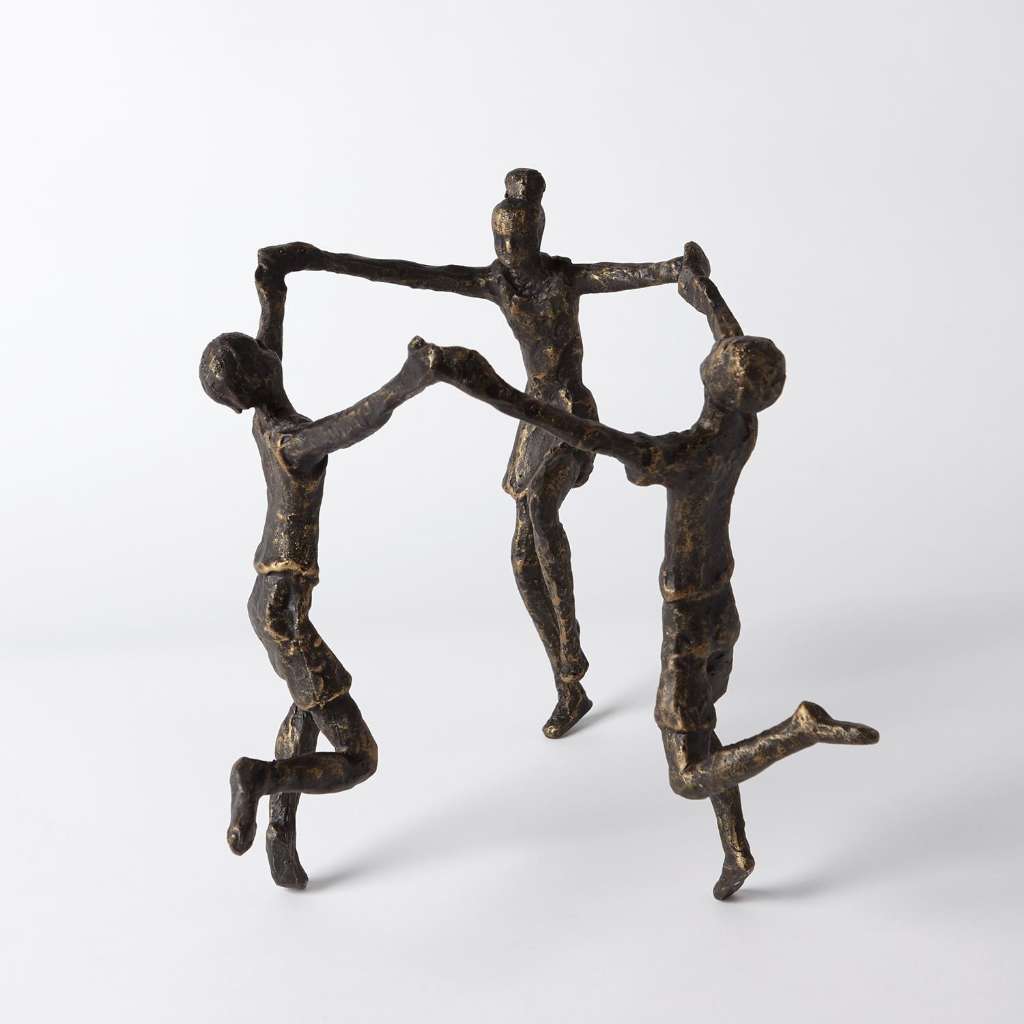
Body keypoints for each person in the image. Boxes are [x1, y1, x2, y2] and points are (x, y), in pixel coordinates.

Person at [424, 242, 879, 899]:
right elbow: (735, 350)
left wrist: (491, 390)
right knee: (704, 729)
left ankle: (797, 729)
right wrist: (706, 296)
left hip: (689, 622)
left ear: (713, 379)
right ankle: (737, 851)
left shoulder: (680, 454)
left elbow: (588, 435)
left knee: (687, 773)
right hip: (723, 611)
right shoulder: (740, 431)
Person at [255, 168, 684, 739]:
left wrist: (673, 269)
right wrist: (319, 259)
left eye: (518, 239)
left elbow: (623, 275)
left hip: (569, 410)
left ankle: (572, 645)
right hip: (532, 413)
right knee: (521, 557)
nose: (507, 250)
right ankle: (568, 682)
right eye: (499, 239)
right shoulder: (495, 283)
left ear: (538, 233)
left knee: (540, 509)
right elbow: (411, 274)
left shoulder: (564, 278)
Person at [200, 264, 442, 888]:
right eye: (259, 353)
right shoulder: (294, 441)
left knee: (303, 705)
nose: (268, 350)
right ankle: (259, 778)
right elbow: (355, 422)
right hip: (283, 609)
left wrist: (272, 290)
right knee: (359, 757)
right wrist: (409, 380)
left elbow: (268, 355)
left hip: (273, 602)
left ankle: (280, 841)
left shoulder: (264, 415)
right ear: (258, 377)